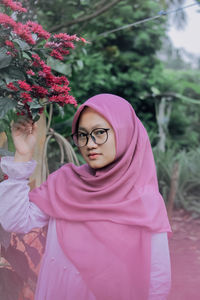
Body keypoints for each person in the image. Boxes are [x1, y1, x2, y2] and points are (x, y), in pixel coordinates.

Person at [0, 94, 171, 300]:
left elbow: (158, 280)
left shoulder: (145, 201)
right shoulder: (65, 182)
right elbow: (15, 221)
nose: (89, 143)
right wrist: (22, 156)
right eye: (82, 135)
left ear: (124, 132)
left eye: (99, 133)